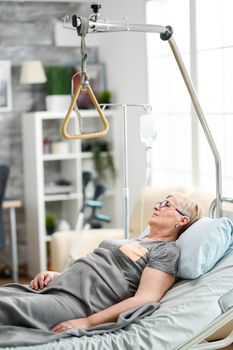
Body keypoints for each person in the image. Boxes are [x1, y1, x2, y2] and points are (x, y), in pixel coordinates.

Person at [0, 193, 204, 336]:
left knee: (6, 307)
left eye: (167, 204)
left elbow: (146, 297)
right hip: (58, 287)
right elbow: (94, 267)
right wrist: (57, 275)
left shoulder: (166, 250)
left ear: (183, 220)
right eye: (160, 202)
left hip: (77, 303)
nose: (157, 205)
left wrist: (88, 322)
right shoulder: (135, 240)